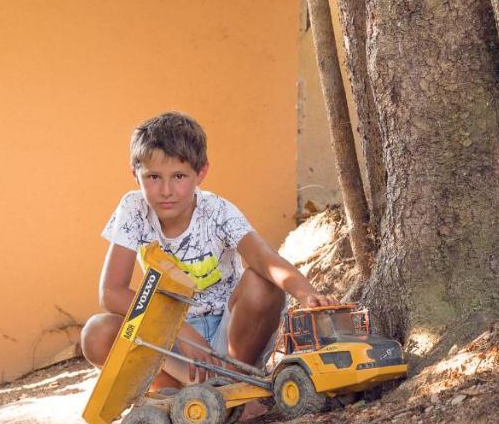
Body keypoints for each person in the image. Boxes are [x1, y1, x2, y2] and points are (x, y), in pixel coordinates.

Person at [80, 111, 335, 388]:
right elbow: (111, 292)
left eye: (179, 176)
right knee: (97, 333)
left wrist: (306, 292)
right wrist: (180, 333)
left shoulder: (217, 211)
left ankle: (237, 383)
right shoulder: (133, 209)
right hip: (170, 342)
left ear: (201, 173)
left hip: (230, 336)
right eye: (153, 176)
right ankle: (177, 393)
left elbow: (263, 258)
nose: (166, 190)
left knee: (261, 283)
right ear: (135, 175)